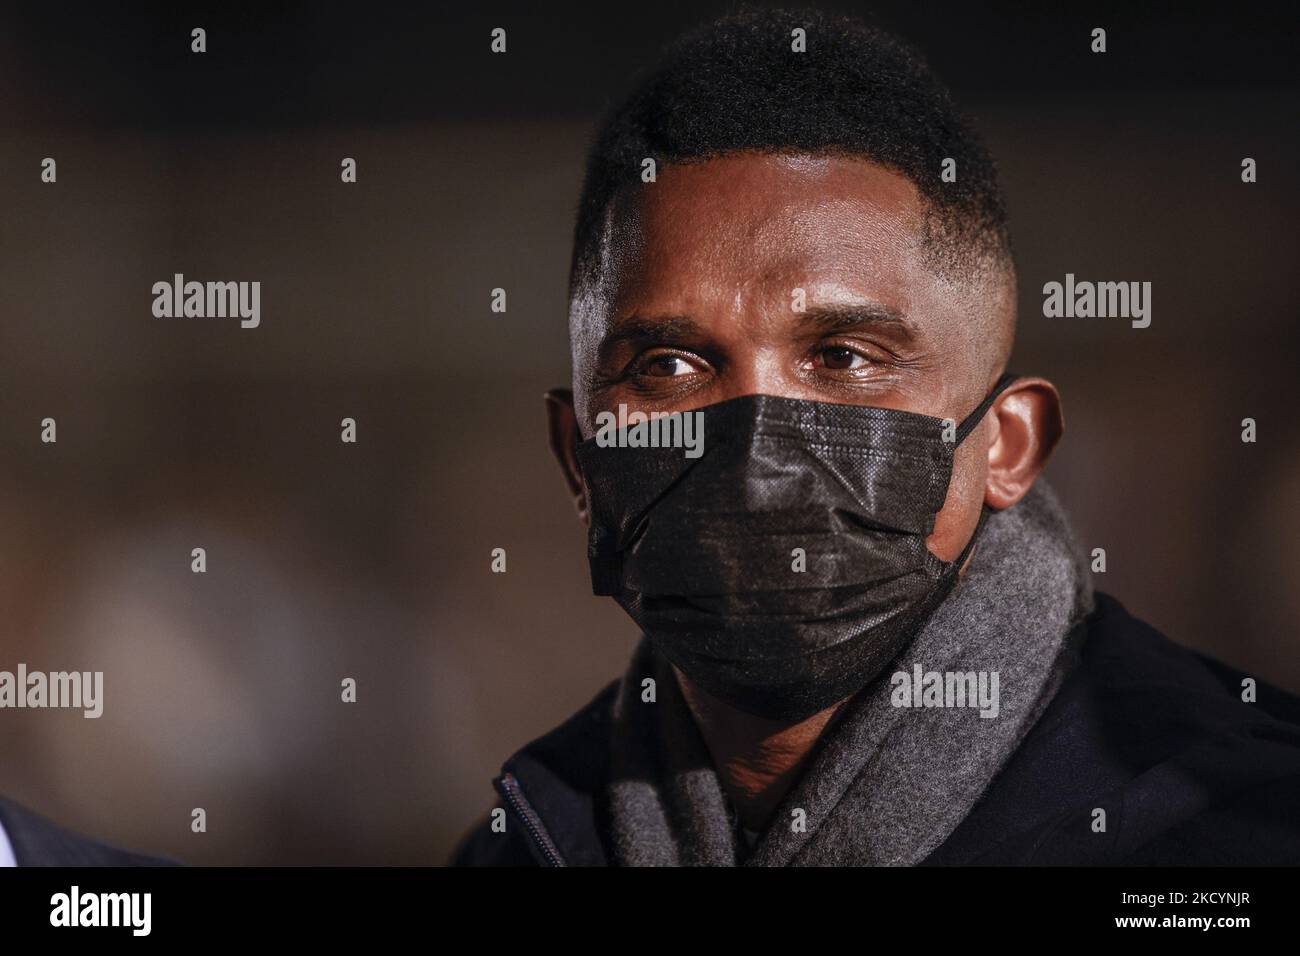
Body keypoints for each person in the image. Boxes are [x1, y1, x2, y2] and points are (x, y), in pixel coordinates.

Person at [451, 7, 1300, 867]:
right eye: (668, 366)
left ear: (1008, 445)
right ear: (578, 457)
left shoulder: (1231, 828)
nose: (756, 464)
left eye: (844, 356)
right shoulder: (521, 847)